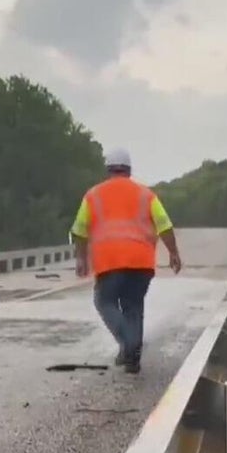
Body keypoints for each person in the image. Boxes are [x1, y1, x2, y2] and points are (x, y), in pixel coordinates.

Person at [71, 148, 181, 373]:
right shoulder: (146, 195)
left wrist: (81, 258)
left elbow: (80, 230)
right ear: (129, 170)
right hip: (141, 262)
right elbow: (164, 225)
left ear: (108, 169)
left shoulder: (93, 195)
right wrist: (174, 253)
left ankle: (129, 345)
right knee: (134, 306)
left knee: (104, 301)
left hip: (109, 261)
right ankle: (131, 358)